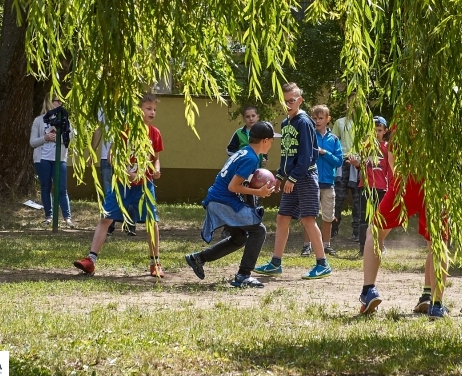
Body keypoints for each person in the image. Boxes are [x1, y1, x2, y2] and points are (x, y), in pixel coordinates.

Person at [74, 94, 164, 277]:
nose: (152, 112)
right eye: (148, 108)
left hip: (144, 184)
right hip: (121, 183)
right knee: (106, 218)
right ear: (137, 110)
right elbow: (112, 157)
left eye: (154, 109)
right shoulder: (125, 130)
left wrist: (156, 170)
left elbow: (156, 159)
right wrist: (125, 173)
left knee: (151, 222)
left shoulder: (155, 133)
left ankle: (155, 263)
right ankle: (91, 260)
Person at [185, 122, 278, 287]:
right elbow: (233, 186)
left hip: (218, 199)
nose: (272, 144)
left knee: (239, 237)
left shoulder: (245, 152)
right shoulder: (251, 158)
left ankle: (198, 258)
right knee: (259, 230)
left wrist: (259, 189)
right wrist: (259, 192)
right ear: (264, 141)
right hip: (223, 201)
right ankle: (243, 275)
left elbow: (242, 184)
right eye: (271, 140)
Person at [254, 82, 332, 280]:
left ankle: (322, 263)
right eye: (284, 101)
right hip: (291, 178)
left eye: (291, 100)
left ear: (300, 100)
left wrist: (294, 177)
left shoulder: (304, 122)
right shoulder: (286, 123)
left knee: (308, 219)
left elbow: (307, 156)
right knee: (282, 218)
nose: (288, 104)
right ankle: (275, 263)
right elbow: (287, 155)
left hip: (304, 178)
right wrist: (280, 176)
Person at [359, 172, 452, 318]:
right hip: (435, 182)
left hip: (406, 181)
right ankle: (436, 305)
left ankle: (369, 290)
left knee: (374, 232)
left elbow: (393, 160)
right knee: (437, 244)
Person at [300, 105, 343, 256]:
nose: (317, 121)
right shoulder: (309, 136)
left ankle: (326, 245)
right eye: (314, 118)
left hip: (328, 183)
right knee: (309, 215)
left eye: (321, 118)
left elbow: (338, 161)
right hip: (311, 182)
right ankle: (307, 245)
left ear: (328, 119)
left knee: (328, 216)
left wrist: (325, 153)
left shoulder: (334, 139)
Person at [30, 94, 74, 227]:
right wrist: (45, 138)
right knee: (45, 187)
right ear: (49, 102)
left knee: (61, 189)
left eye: (61, 101)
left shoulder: (66, 120)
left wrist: (57, 138)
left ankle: (67, 218)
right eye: (57, 101)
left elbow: (70, 139)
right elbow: (32, 142)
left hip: (59, 160)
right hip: (42, 159)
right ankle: (48, 217)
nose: (60, 103)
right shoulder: (39, 120)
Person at [352, 117, 392, 256]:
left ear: (385, 131)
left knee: (379, 218)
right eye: (373, 130)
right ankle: (363, 248)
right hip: (366, 187)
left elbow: (390, 169)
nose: (376, 133)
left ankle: (380, 245)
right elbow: (362, 168)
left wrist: (392, 187)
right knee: (364, 218)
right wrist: (357, 164)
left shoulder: (387, 148)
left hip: (382, 189)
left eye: (379, 130)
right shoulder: (365, 147)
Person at [332, 113, 360, 240]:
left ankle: (357, 231)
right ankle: (333, 228)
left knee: (357, 198)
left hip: (359, 162)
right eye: (351, 102)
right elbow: (333, 141)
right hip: (342, 162)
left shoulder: (365, 122)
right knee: (338, 196)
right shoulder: (340, 122)